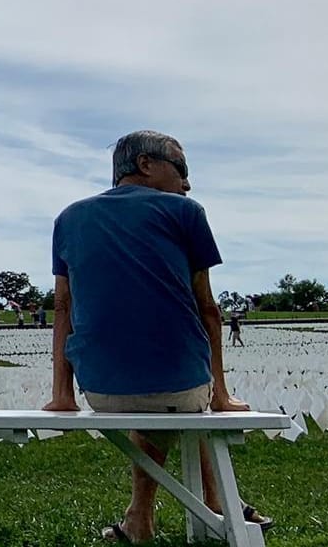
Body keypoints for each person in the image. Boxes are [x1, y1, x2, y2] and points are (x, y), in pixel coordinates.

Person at [44, 131, 271, 542]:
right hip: (182, 386)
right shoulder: (186, 212)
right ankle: (213, 505)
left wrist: (63, 395)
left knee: (165, 400)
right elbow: (208, 309)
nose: (187, 183)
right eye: (182, 170)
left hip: (100, 390)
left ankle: (143, 517)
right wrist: (220, 394)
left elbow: (63, 309)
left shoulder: (68, 218)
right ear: (146, 165)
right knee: (178, 400)